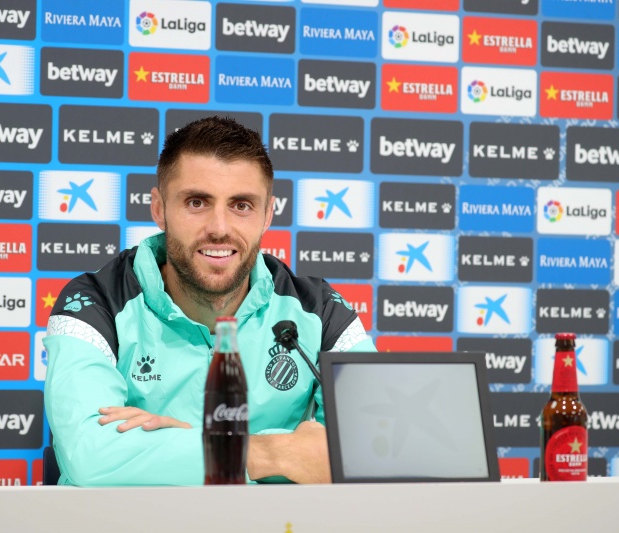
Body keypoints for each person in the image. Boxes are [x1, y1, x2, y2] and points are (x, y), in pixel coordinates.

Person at [43, 116, 376, 486]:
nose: (219, 228)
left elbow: (373, 450)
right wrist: (268, 454)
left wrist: (175, 450)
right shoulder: (95, 303)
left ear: (267, 215)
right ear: (159, 209)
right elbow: (88, 455)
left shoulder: (319, 310)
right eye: (197, 202)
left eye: (241, 205)